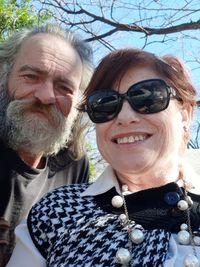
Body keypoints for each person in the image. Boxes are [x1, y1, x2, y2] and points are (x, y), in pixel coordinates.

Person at [7, 48, 200, 267]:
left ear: (185, 114)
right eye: (105, 104)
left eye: (148, 96)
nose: (125, 117)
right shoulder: (53, 212)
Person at [0, 23, 93, 265]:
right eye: (31, 77)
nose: (45, 96)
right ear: (4, 76)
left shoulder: (73, 164)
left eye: (64, 87)